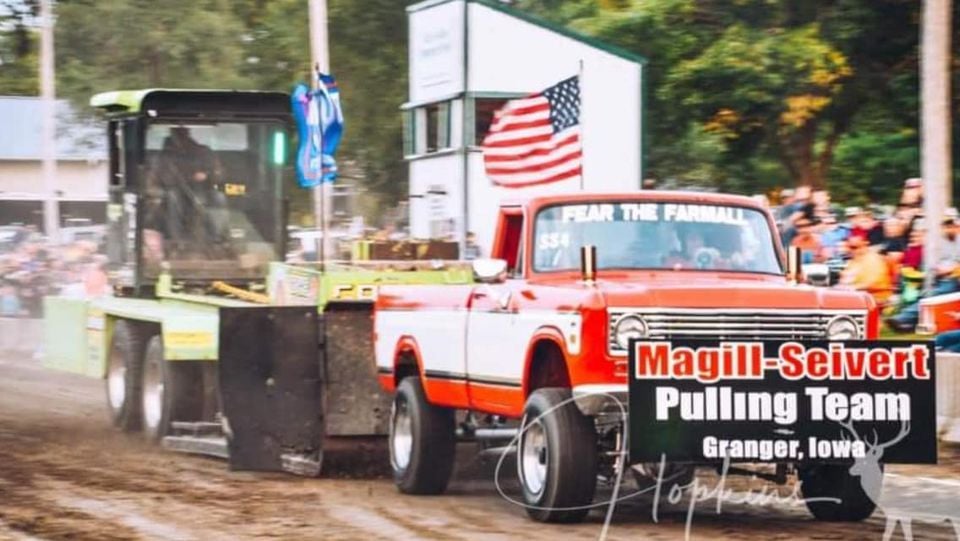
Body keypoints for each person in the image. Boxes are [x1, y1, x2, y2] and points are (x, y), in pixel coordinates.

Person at [148, 127, 228, 254]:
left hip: (202, 191)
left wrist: (207, 175)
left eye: (183, 133)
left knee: (219, 198)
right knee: (172, 197)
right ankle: (177, 240)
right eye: (178, 134)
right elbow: (151, 182)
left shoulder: (203, 152)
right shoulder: (163, 157)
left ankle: (216, 240)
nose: (181, 137)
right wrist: (159, 190)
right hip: (173, 194)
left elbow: (219, 174)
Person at [839, 235, 892, 304]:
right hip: (856, 296)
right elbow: (845, 279)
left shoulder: (874, 259)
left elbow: (874, 282)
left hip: (875, 298)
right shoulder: (853, 261)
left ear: (865, 245)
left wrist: (853, 288)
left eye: (854, 247)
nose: (850, 250)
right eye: (848, 247)